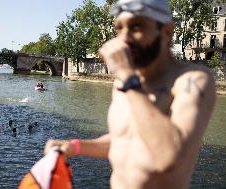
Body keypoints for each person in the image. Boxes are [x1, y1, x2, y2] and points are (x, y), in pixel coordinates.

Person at [44, 0, 216, 188]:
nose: (124, 38)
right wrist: (75, 146)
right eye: (119, 28)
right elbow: (125, 140)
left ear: (167, 31)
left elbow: (169, 155)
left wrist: (126, 75)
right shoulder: (124, 84)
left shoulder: (192, 80)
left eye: (136, 26)